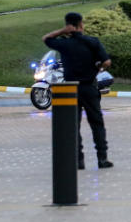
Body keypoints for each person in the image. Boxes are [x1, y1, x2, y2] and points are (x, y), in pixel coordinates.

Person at [43, 12, 113, 170]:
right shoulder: (92, 42)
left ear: (68, 25)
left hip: (70, 89)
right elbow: (107, 61)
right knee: (97, 124)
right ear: (81, 24)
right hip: (89, 88)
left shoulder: (64, 43)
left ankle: (78, 161)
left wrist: (62, 31)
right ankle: (102, 159)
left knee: (73, 126)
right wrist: (98, 67)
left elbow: (46, 38)